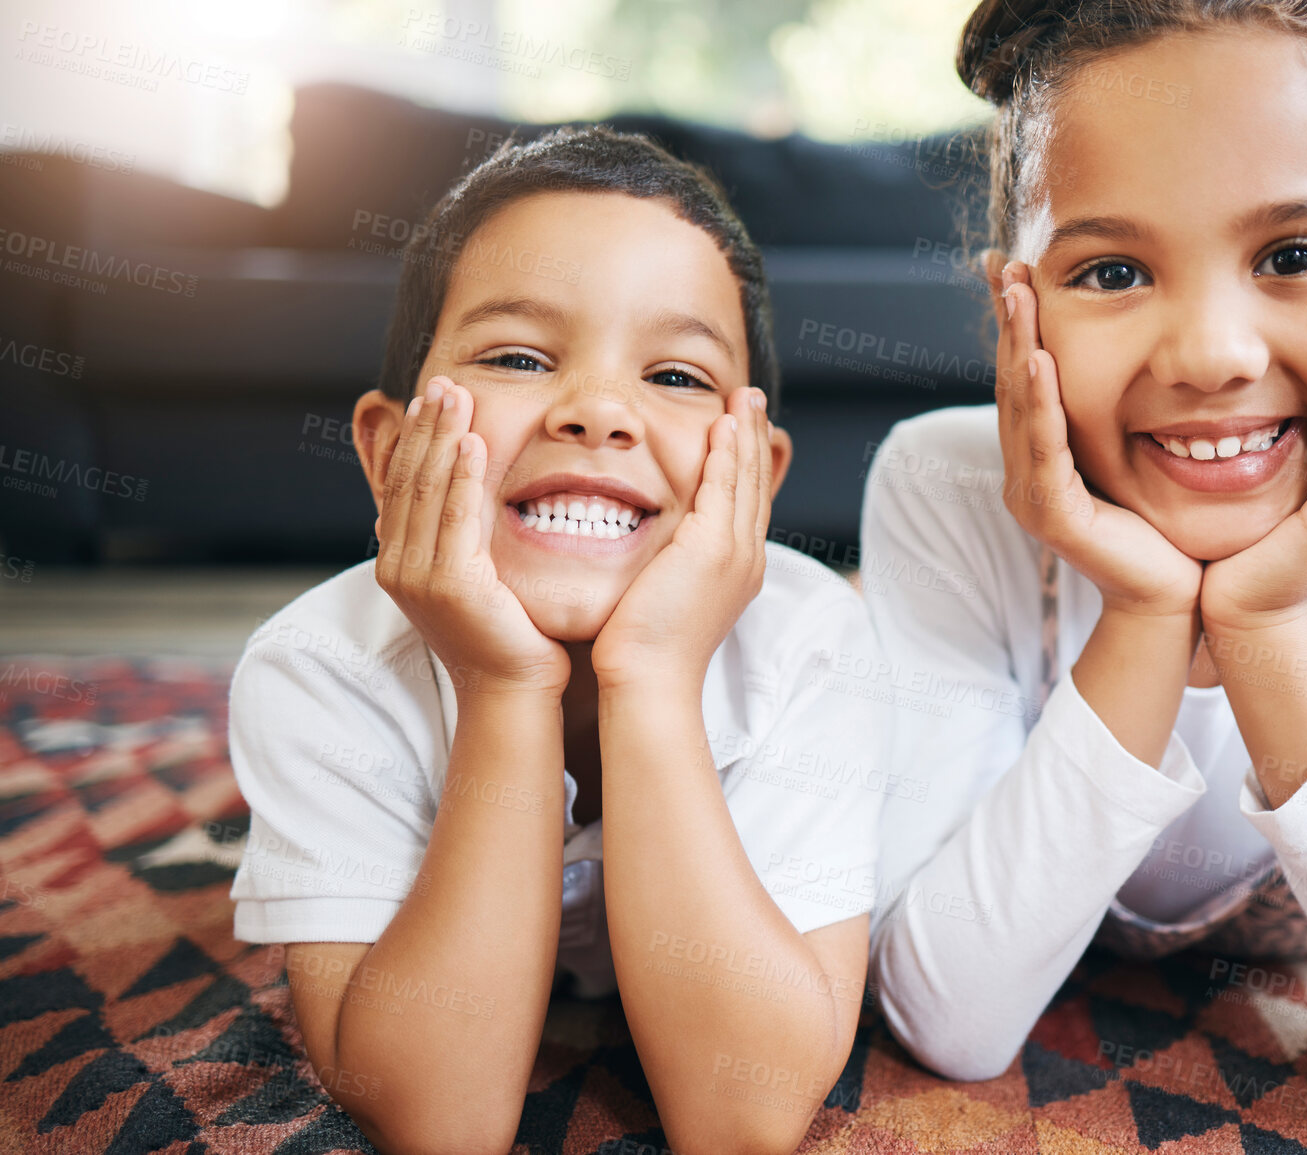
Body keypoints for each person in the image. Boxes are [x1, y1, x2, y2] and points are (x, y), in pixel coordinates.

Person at [864, 0, 1307, 1132]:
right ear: (1013, 307)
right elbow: (948, 1017)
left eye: (1294, 255)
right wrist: (1148, 611)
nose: (1211, 355)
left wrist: (1263, 629)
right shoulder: (941, 484)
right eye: (1111, 273)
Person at [227, 126, 887, 1155]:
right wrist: (503, 690)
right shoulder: (320, 668)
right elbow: (437, 1123)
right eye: (520, 357)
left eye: (676, 376)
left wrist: (657, 681)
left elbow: (743, 1118)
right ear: (391, 451)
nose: (598, 413)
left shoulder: (810, 643)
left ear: (756, 474)